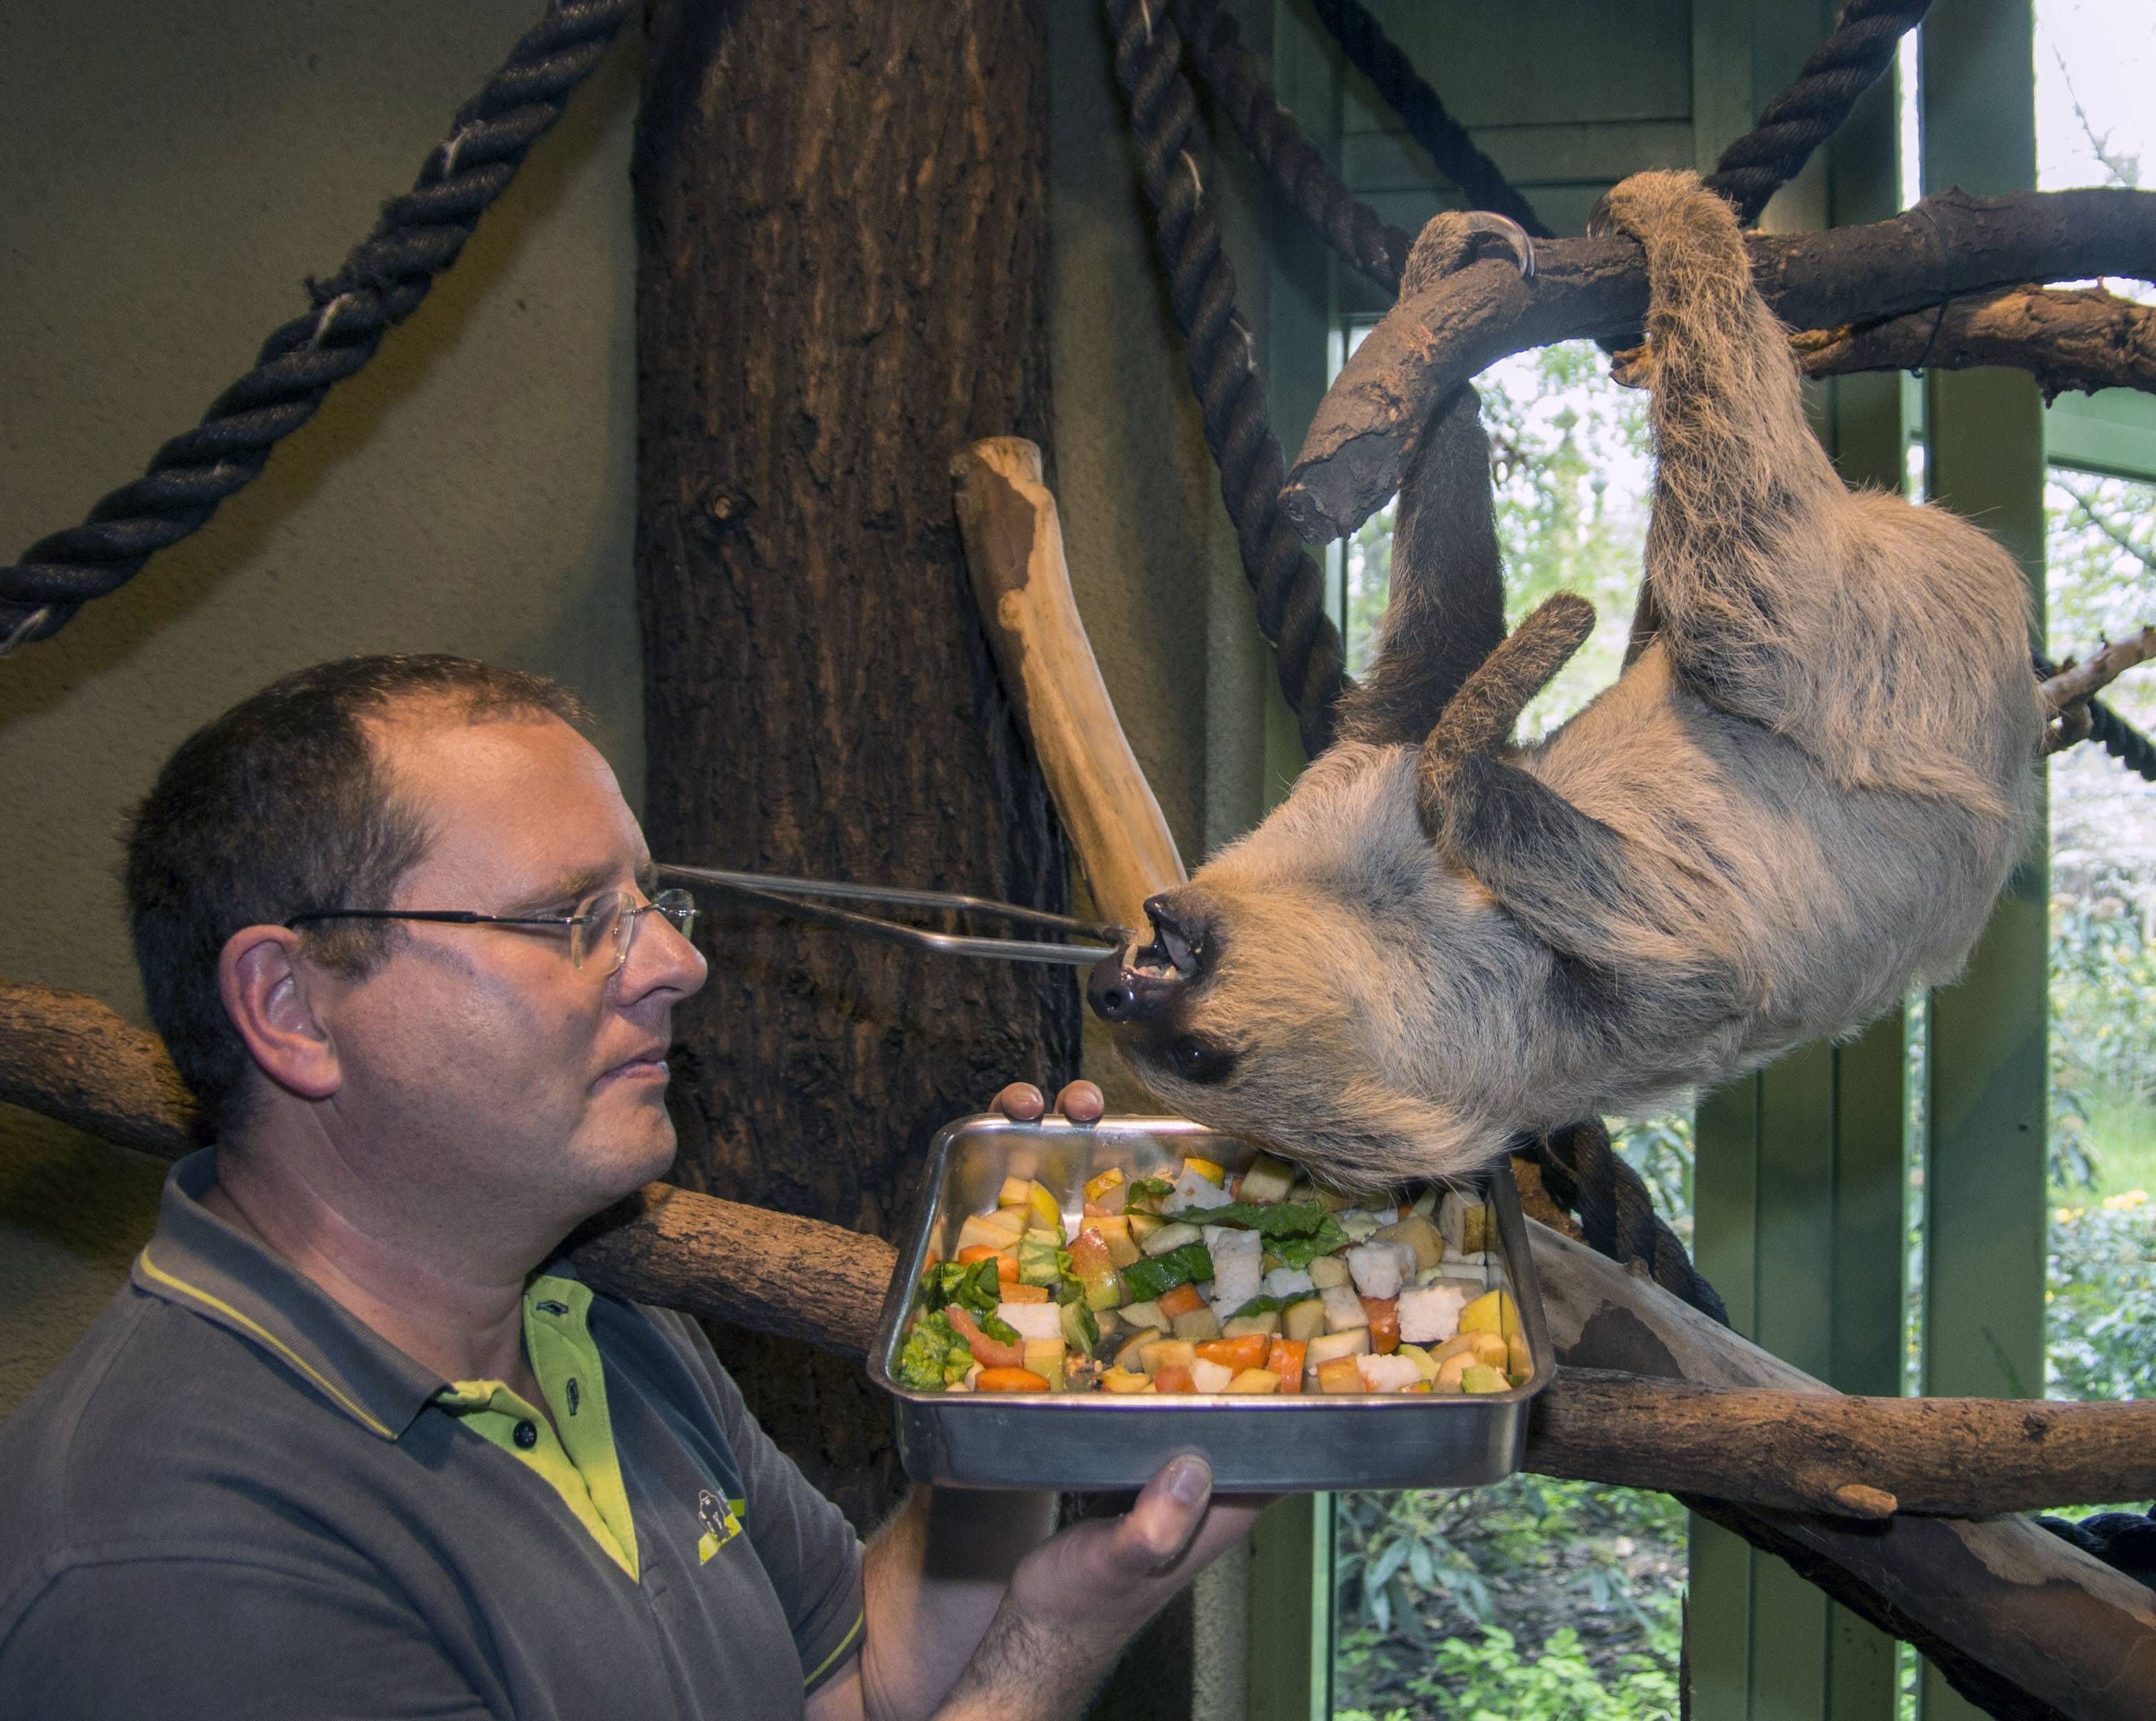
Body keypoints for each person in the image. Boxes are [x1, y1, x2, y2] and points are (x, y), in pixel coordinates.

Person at [0, 655, 1258, 1719]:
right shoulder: (168, 1560)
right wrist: (1053, 1654)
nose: (675, 964)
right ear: (292, 1008)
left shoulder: (593, 1320)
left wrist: (1005, 1381)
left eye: (652, 902)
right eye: (567, 920)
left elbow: (853, 1686)